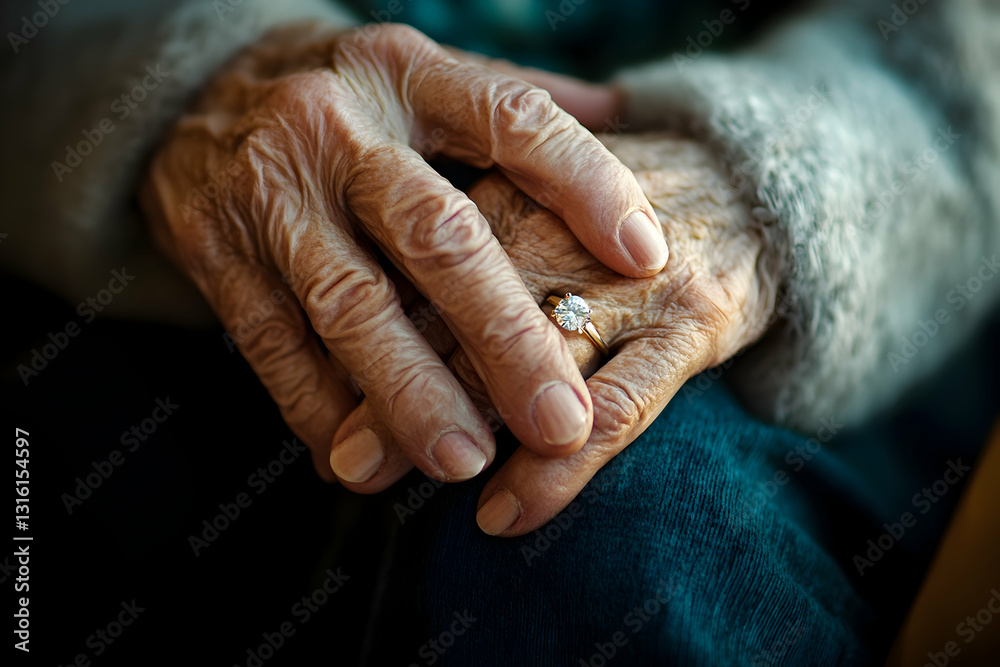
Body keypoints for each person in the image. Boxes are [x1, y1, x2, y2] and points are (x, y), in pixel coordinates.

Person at [3, 0, 998, 663]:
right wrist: (193, 74)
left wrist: (780, 180)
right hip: (153, 229)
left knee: (608, 515)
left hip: (865, 207)